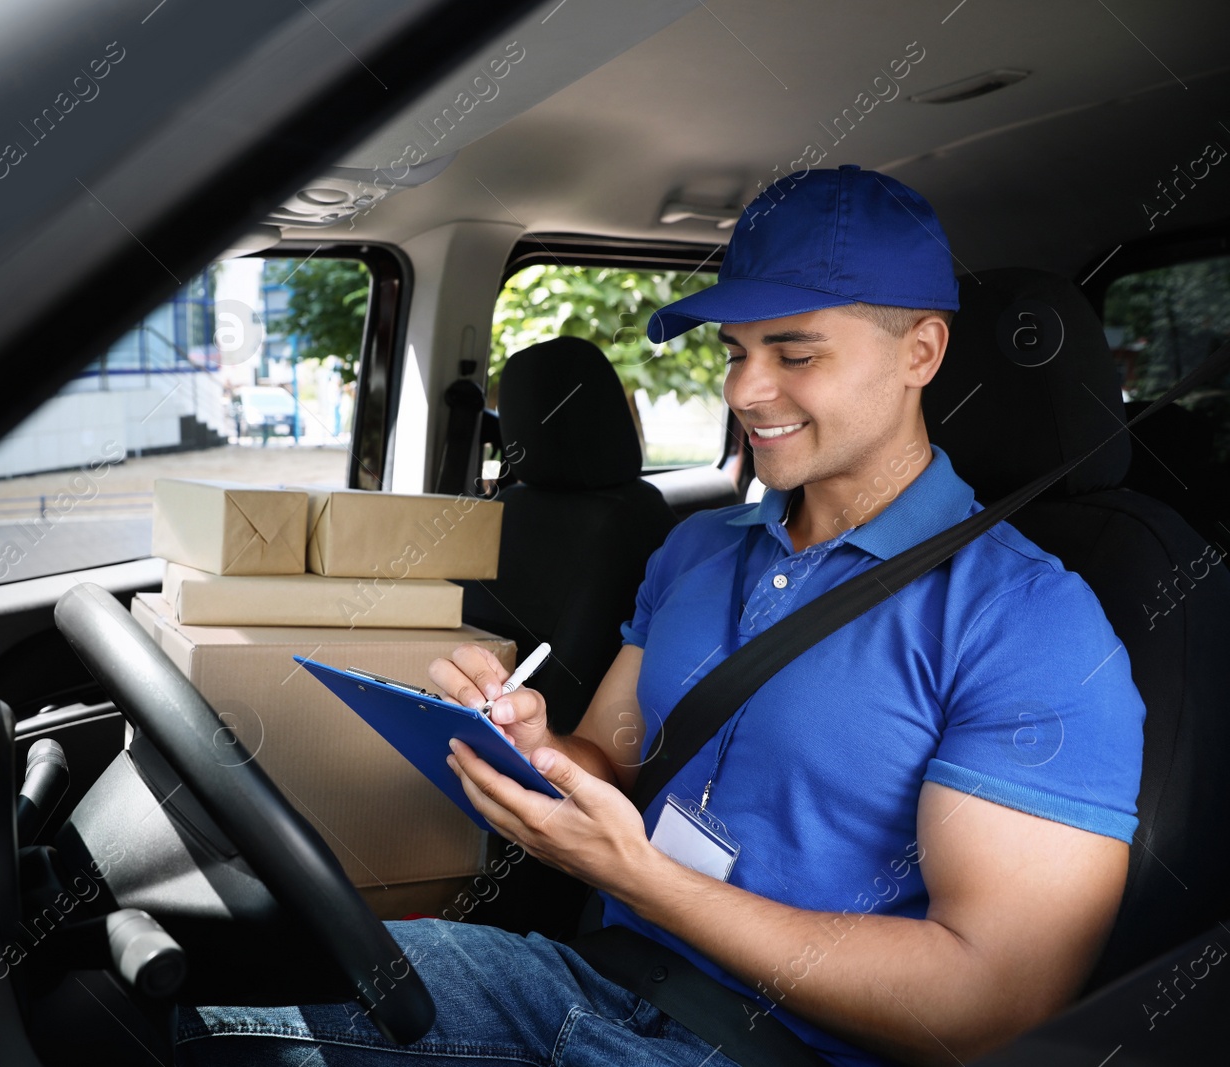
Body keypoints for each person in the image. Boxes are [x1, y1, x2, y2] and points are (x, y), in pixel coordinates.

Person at [174, 165, 1146, 1067]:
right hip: (591, 979)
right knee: (220, 999)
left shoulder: (1030, 624)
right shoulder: (698, 548)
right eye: (735, 352)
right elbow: (613, 755)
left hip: (779, 1046)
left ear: (920, 350)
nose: (743, 390)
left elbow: (993, 1000)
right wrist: (534, 749)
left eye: (793, 352)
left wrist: (640, 877)